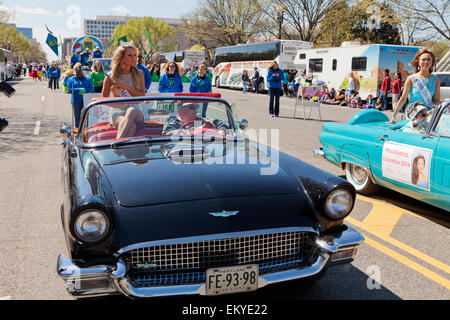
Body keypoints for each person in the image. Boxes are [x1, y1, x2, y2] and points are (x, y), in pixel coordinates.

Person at [102, 45, 146, 139]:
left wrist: (126, 87)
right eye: (129, 55)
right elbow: (104, 99)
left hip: (136, 110)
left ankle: (116, 144)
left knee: (131, 110)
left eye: (135, 55)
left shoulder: (139, 74)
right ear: (121, 58)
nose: (133, 58)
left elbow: (142, 95)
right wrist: (120, 104)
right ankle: (124, 151)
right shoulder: (111, 76)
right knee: (131, 126)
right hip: (117, 111)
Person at [391, 48, 441, 122]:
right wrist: (393, 116)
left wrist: (433, 110)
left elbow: (436, 100)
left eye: (428, 59)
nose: (426, 62)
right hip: (412, 114)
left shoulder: (436, 80)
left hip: (427, 115)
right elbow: (403, 98)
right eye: (423, 59)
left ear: (432, 62)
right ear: (419, 62)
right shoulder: (411, 79)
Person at [162, 103, 228, 136]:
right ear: (181, 109)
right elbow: (170, 134)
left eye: (196, 106)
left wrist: (222, 130)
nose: (196, 109)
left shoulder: (199, 119)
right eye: (192, 107)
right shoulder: (172, 124)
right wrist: (199, 129)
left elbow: (219, 122)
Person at [67, 63, 94, 128]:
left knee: (86, 116)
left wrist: (85, 90)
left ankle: (86, 129)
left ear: (82, 71)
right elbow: (70, 89)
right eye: (77, 72)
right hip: (76, 101)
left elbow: (91, 88)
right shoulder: (71, 80)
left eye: (80, 71)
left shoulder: (87, 79)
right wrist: (78, 90)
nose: (79, 73)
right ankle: (77, 130)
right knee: (77, 116)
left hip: (86, 100)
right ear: (75, 71)